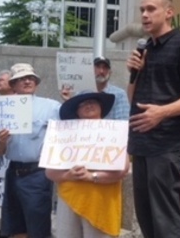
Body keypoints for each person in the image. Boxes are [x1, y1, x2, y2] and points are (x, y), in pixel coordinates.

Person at [126, 0, 180, 238]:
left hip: (167, 142)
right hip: (140, 142)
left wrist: (162, 113)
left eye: (151, 9)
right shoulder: (145, 48)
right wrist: (134, 73)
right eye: (142, 10)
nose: (145, 15)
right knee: (146, 216)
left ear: (169, 12)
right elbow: (133, 98)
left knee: (165, 217)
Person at [46, 92, 130, 237]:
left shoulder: (114, 132)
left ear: (101, 107)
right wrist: (68, 175)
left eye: (92, 102)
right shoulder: (63, 133)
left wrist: (92, 176)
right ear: (76, 111)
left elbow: (123, 169)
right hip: (69, 198)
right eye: (82, 104)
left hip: (101, 200)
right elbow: (50, 172)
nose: (88, 105)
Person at [0, 63, 61, 238]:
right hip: (12, 172)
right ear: (13, 84)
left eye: (31, 78)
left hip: (37, 174)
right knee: (15, 226)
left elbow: (66, 135)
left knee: (38, 227)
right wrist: (1, 141)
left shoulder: (52, 107)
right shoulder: (1, 108)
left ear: (36, 82)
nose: (27, 81)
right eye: (22, 78)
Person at [60, 57, 130, 120]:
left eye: (105, 68)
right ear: (90, 71)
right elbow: (74, 120)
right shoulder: (81, 93)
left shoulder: (119, 94)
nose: (101, 71)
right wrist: (69, 101)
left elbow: (123, 123)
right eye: (97, 67)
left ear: (110, 72)